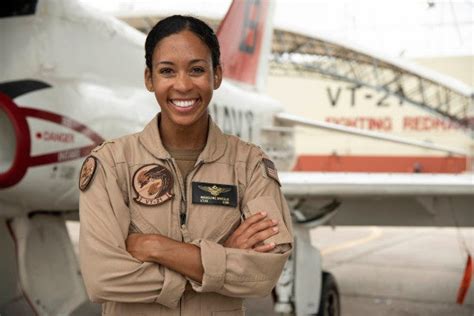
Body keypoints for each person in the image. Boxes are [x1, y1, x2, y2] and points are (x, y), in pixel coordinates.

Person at [79, 15, 293, 315]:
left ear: (216, 75)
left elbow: (263, 274)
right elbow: (103, 279)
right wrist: (220, 260)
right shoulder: (111, 165)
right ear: (149, 78)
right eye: (167, 71)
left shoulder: (250, 165)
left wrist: (156, 247)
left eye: (196, 70)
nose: (182, 85)